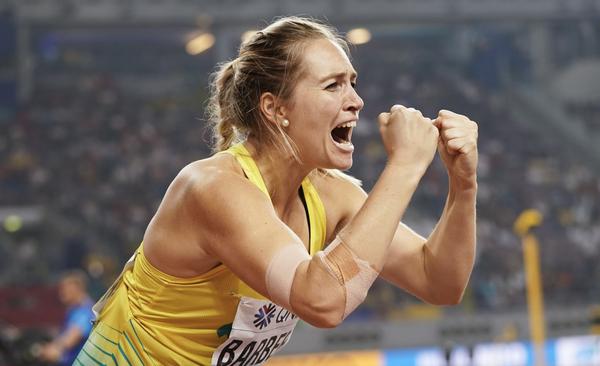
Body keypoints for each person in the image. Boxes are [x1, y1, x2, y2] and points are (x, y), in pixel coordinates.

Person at [76, 16, 478, 365]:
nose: (356, 101)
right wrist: (406, 165)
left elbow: (438, 280)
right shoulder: (213, 187)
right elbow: (322, 300)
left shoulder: (329, 195)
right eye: (333, 86)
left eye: (352, 84)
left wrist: (463, 184)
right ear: (276, 109)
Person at [40, 271, 94, 365]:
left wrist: (53, 349)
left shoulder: (86, 311)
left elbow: (72, 337)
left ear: (77, 289)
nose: (61, 293)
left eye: (65, 289)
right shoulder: (73, 310)